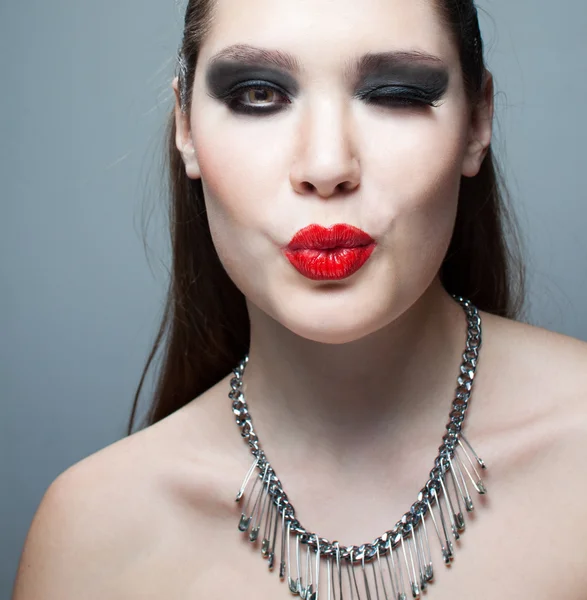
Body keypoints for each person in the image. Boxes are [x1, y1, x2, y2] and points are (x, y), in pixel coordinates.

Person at [12, 0, 587, 598]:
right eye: (259, 94)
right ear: (185, 127)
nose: (327, 165)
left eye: (393, 93)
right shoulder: (93, 537)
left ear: (477, 122)